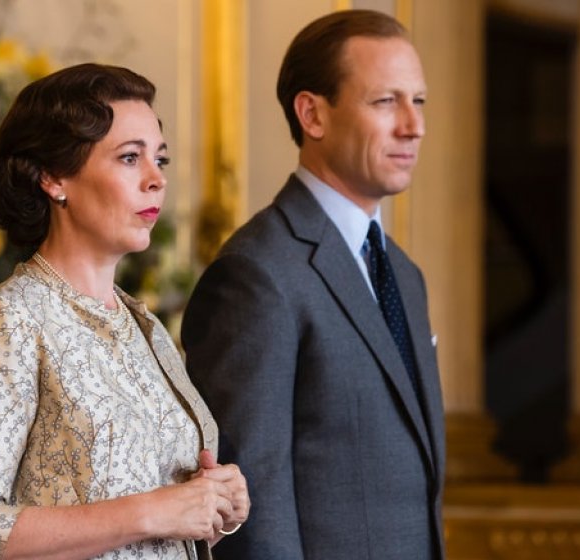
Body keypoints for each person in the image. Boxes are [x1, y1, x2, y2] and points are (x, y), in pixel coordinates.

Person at [0, 63, 250, 559]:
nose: (156, 180)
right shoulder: (6, 322)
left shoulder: (145, 325)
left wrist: (217, 500)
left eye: (160, 159)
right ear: (54, 178)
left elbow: (163, 502)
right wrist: (154, 511)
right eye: (128, 158)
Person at [181, 10, 445, 559]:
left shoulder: (405, 275)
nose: (412, 125)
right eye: (385, 101)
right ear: (312, 114)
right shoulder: (256, 274)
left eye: (417, 101)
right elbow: (249, 506)